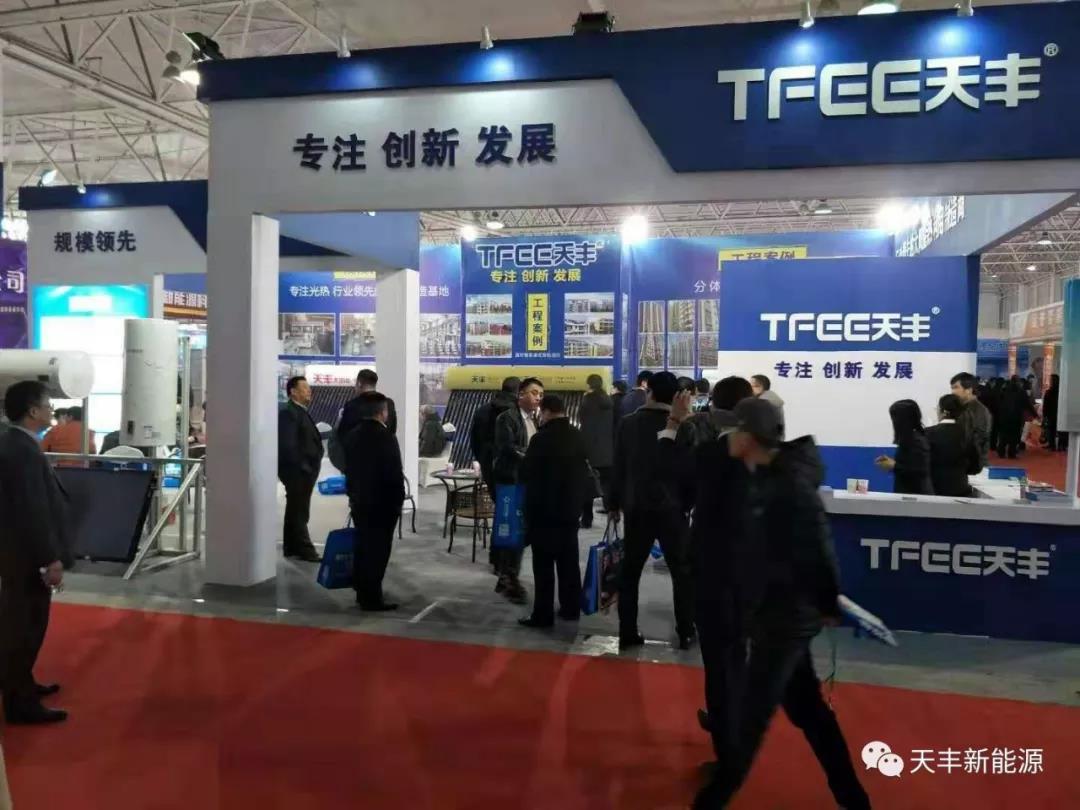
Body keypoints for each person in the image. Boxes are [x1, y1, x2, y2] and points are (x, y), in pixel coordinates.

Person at [693, 397, 870, 810]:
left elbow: (818, 550)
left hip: (785, 620)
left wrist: (827, 603)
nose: (727, 437)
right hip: (774, 612)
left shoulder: (787, 485)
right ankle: (854, 799)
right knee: (810, 712)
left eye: (734, 430)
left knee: (749, 723)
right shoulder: (763, 475)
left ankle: (711, 801)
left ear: (749, 437)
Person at [659, 376, 752, 756]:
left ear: (714, 407)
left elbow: (671, 479)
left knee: (718, 658)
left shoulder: (710, 452)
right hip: (751, 569)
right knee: (738, 652)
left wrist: (674, 423)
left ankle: (727, 744)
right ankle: (737, 724)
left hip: (713, 566)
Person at [0, 381, 72, 724]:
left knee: (20, 624)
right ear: (32, 411)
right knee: (25, 628)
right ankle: (20, 703)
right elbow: (33, 510)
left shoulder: (16, 444)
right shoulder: (23, 451)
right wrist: (50, 558)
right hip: (27, 556)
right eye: (47, 405)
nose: (51, 411)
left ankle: (21, 684)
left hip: (17, 552)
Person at [609, 371, 695, 650]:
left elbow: (619, 465)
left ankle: (627, 631)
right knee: (681, 572)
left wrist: (613, 503)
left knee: (631, 571)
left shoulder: (628, 423)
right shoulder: (685, 427)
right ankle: (686, 631)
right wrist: (687, 504)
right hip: (673, 510)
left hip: (637, 508)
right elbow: (689, 470)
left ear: (650, 393)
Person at [518, 394, 590, 629]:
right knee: (569, 562)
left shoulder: (540, 439)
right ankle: (571, 608)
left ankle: (543, 615)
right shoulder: (578, 436)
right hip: (570, 510)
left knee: (544, 566)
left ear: (546, 411)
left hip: (543, 512)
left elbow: (526, 473)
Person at [344, 391, 405, 611]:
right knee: (378, 551)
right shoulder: (386, 437)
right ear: (383, 412)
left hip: (360, 501)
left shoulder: (353, 435)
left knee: (363, 547)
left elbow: (348, 468)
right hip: (382, 504)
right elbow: (394, 473)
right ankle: (372, 597)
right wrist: (398, 501)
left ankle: (362, 591)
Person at [492, 377, 544, 604]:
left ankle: (507, 575)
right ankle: (508, 577)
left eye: (541, 395)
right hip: (510, 481)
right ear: (521, 394)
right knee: (511, 531)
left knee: (522, 532)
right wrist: (533, 458)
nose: (538, 398)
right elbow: (508, 448)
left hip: (527, 482)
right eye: (534, 393)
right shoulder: (507, 418)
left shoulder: (535, 419)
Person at [277, 376, 324, 562]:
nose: (309, 391)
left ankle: (291, 546)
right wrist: (303, 467)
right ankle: (305, 549)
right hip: (297, 472)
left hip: (303, 471)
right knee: (300, 510)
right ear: (293, 392)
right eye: (304, 388)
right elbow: (288, 445)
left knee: (295, 508)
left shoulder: (300, 411)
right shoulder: (288, 413)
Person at [470, 376, 520, 507]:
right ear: (518, 391)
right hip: (513, 467)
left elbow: (474, 440)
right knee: (515, 507)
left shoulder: (482, 410)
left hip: (488, 463)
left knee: (500, 503)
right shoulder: (519, 413)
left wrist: (483, 459)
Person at [874, 399, 933, 495]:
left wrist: (894, 465)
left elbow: (918, 471)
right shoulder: (913, 439)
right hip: (908, 493)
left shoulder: (916, 441)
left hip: (915, 495)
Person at [578, 374, 614, 529]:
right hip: (607, 450)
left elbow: (583, 422)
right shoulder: (609, 400)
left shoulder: (588, 400)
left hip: (591, 450)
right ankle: (612, 514)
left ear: (589, 384)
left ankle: (587, 519)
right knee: (607, 484)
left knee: (587, 486)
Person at [926, 395, 974, 497]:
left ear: (943, 411)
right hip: (960, 489)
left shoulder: (928, 433)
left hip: (933, 490)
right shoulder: (967, 434)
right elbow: (975, 466)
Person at [951, 372, 991, 471]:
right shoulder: (961, 408)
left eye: (956, 387)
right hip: (963, 462)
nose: (953, 392)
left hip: (973, 465)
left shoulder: (979, 410)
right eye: (952, 388)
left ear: (968, 390)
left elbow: (978, 439)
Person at [995, 376, 1036, 459]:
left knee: (1003, 434)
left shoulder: (1004, 390)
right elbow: (1027, 404)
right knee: (1014, 435)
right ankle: (1011, 453)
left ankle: (1001, 452)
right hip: (1016, 416)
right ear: (1018, 382)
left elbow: (999, 402)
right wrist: (1035, 414)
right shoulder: (1021, 392)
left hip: (1004, 416)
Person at [750, 374, 785, 439]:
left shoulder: (764, 402)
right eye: (750, 385)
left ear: (764, 387)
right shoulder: (770, 398)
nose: (751, 388)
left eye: (756, 386)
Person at [1042, 373, 1061, 451]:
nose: (1050, 381)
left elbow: (1045, 405)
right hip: (1057, 413)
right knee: (1055, 430)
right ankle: (1057, 445)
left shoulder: (1049, 392)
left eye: (1051, 380)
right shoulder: (1060, 391)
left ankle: (1052, 445)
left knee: (1051, 430)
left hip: (1051, 414)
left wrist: (1044, 415)